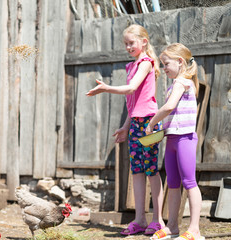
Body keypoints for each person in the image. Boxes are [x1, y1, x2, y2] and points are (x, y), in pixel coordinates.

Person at [86, 24, 165, 236]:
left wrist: (106, 88)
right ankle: (140, 220)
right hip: (136, 125)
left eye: (132, 43)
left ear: (144, 42)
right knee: (137, 171)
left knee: (151, 171)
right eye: (126, 44)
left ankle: (158, 221)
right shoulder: (132, 66)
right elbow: (133, 102)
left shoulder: (146, 63)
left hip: (149, 124)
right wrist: (125, 126)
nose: (128, 47)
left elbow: (131, 89)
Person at [146, 43, 204, 240]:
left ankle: (194, 229)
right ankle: (172, 226)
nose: (164, 68)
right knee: (172, 183)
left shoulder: (182, 82)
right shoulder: (174, 85)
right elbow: (175, 115)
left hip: (185, 139)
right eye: (162, 64)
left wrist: (152, 122)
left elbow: (169, 107)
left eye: (166, 64)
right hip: (172, 139)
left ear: (180, 62)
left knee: (189, 182)